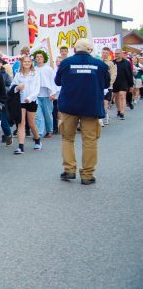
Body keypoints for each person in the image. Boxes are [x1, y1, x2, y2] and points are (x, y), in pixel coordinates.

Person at [55, 39, 109, 185]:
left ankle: (69, 170)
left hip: (69, 106)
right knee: (90, 140)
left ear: (75, 49)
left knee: (67, 138)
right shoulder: (100, 64)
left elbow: (57, 81)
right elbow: (106, 84)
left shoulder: (66, 63)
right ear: (90, 50)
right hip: (91, 106)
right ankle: (87, 175)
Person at [11, 55, 40, 154]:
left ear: (31, 63)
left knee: (31, 123)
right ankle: (21, 147)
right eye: (25, 62)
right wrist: (17, 87)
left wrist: (30, 98)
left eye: (28, 61)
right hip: (20, 101)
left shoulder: (35, 74)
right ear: (22, 63)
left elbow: (37, 89)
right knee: (21, 123)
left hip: (31, 101)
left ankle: (37, 140)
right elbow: (12, 86)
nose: (27, 63)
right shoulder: (18, 74)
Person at [33, 50, 57, 138]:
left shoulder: (49, 69)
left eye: (41, 57)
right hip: (36, 95)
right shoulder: (33, 69)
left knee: (48, 114)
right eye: (37, 57)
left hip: (47, 95)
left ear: (44, 58)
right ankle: (39, 133)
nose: (39, 58)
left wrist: (53, 93)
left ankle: (49, 130)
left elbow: (53, 82)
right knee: (38, 115)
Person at [0, 57, 14, 145]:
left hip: (1, 100)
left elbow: (10, 87)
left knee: (3, 121)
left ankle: (8, 135)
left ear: (2, 64)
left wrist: (1, 87)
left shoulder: (5, 75)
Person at [112, 49, 134, 120]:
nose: (116, 55)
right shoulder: (113, 62)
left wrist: (131, 85)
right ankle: (119, 110)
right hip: (115, 82)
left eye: (118, 53)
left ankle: (122, 112)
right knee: (116, 97)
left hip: (124, 82)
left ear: (121, 54)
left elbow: (130, 74)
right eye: (116, 53)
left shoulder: (126, 63)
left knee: (122, 95)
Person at [100, 47, 117, 125]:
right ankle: (102, 116)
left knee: (105, 102)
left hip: (107, 86)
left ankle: (104, 116)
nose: (104, 54)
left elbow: (113, 74)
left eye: (106, 53)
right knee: (99, 101)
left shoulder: (111, 63)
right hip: (99, 85)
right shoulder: (98, 62)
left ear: (109, 54)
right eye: (103, 52)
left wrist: (109, 83)